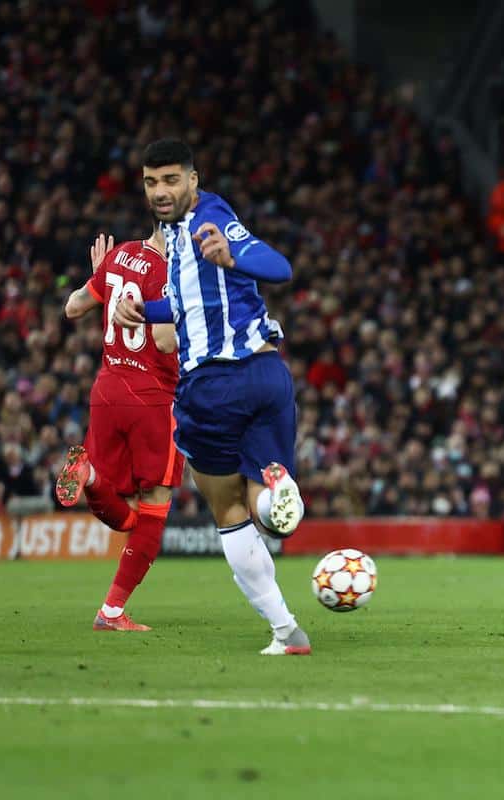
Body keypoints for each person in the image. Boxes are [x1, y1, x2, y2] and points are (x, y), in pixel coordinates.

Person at [113, 139, 309, 656]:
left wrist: (233, 254)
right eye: (152, 181)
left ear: (193, 181)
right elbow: (182, 303)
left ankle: (287, 630)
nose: (160, 191)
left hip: (212, 386)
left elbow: (277, 266)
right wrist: (143, 309)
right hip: (268, 374)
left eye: (172, 180)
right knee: (258, 501)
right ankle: (273, 496)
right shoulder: (177, 240)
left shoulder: (210, 218)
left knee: (227, 511)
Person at [56, 227, 181, 632]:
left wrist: (101, 280)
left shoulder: (119, 255)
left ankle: (89, 475)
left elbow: (73, 308)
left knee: (128, 515)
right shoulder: (171, 270)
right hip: (152, 398)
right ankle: (111, 611)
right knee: (154, 511)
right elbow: (164, 341)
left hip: (106, 389)